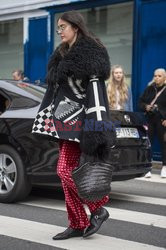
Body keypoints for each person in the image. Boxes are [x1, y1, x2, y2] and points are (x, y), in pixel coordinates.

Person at [32, 11, 115, 240]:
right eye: (58, 28)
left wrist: (97, 128)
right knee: (65, 173)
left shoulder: (91, 53)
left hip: (81, 122)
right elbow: (56, 92)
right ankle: (77, 222)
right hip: (63, 121)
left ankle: (98, 206)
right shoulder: (61, 54)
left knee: (63, 170)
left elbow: (97, 95)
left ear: (75, 27)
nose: (60, 32)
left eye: (63, 27)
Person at [139, 68, 166, 178]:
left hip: (162, 121)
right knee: (147, 143)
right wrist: (146, 106)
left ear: (164, 77)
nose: (157, 78)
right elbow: (140, 102)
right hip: (149, 119)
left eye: (159, 76)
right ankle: (148, 166)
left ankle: (164, 167)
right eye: (155, 76)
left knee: (164, 143)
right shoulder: (149, 88)